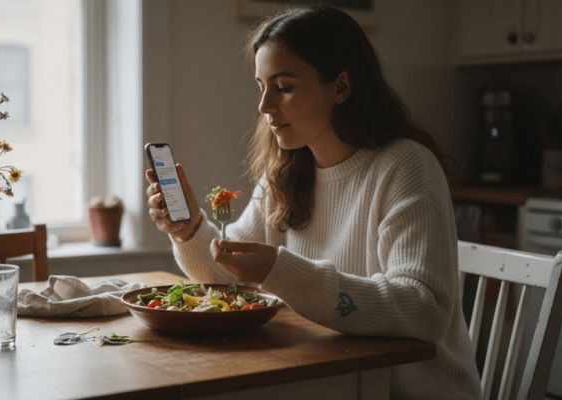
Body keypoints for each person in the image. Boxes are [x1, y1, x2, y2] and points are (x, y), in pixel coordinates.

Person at [145, 5, 480, 399]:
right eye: (261, 87)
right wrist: (190, 230)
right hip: (326, 383)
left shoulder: (405, 166)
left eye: (283, 87)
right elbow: (230, 280)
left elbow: (425, 311)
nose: (264, 106)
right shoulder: (284, 173)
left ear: (340, 87)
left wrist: (278, 269)